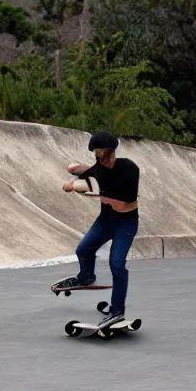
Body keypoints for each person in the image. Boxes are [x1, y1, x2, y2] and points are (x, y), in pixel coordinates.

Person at [62, 130, 140, 327]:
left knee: (117, 265)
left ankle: (117, 311)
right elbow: (84, 171)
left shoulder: (129, 169)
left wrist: (84, 189)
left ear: (113, 153)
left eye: (108, 156)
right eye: (100, 158)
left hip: (126, 223)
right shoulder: (99, 169)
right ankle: (86, 276)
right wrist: (74, 174)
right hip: (105, 220)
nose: (106, 161)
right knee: (83, 250)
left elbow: (122, 203)